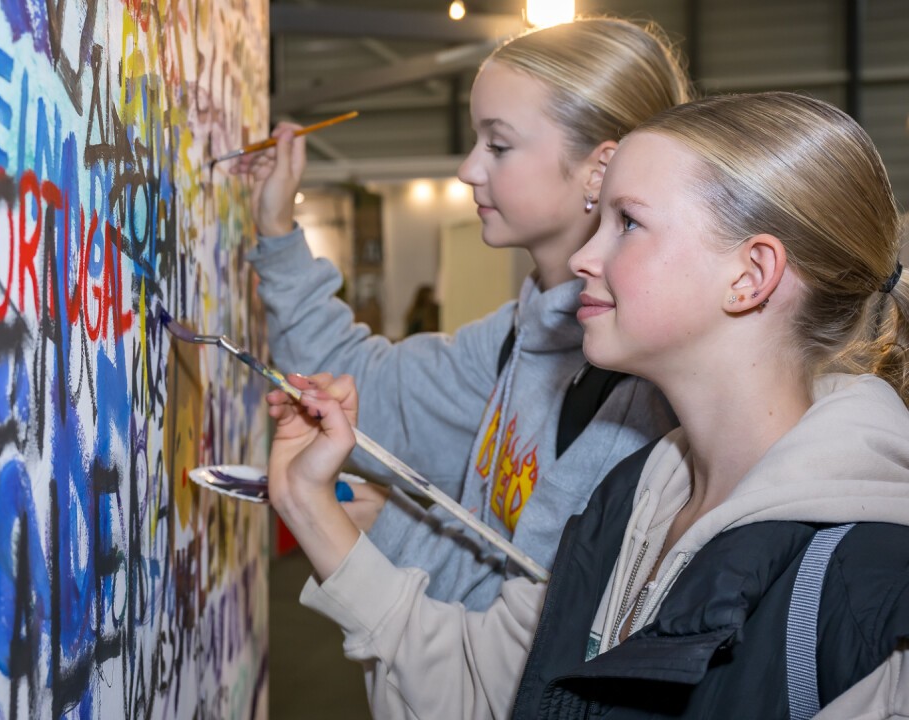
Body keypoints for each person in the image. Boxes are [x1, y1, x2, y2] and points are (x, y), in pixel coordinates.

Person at [268, 91, 909, 718]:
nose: (582, 258)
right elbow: (486, 689)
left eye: (628, 223)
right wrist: (310, 503)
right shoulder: (626, 500)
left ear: (749, 275)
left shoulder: (865, 599)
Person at [238, 18, 690, 611]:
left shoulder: (637, 397)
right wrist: (275, 230)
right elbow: (365, 389)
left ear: (599, 171)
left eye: (498, 145)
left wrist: (380, 527)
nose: (468, 169)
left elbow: (534, 634)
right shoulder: (518, 338)